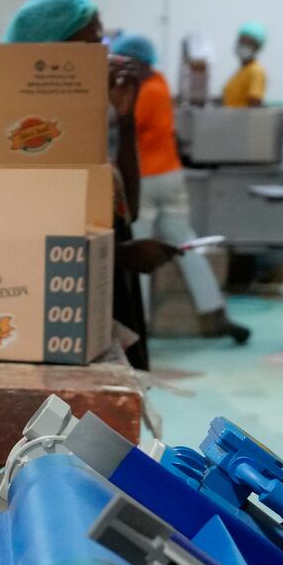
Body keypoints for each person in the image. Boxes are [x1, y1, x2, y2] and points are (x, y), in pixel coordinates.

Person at [5, 0, 177, 370]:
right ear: (51, 54)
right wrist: (123, 255)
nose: (103, 54)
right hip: (62, 312)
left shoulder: (77, 123)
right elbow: (24, 241)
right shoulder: (26, 136)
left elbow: (124, 207)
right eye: (91, 42)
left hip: (107, 294)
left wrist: (127, 121)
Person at [112, 32, 249, 345]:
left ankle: (139, 323)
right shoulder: (160, 84)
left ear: (136, 62)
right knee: (185, 244)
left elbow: (117, 124)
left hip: (146, 180)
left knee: (138, 247)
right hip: (171, 177)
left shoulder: (142, 92)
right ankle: (214, 312)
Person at [222, 22, 267, 108]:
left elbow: (255, 105)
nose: (242, 45)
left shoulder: (256, 71)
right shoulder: (241, 71)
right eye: (241, 41)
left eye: (248, 43)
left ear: (257, 47)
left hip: (241, 121)